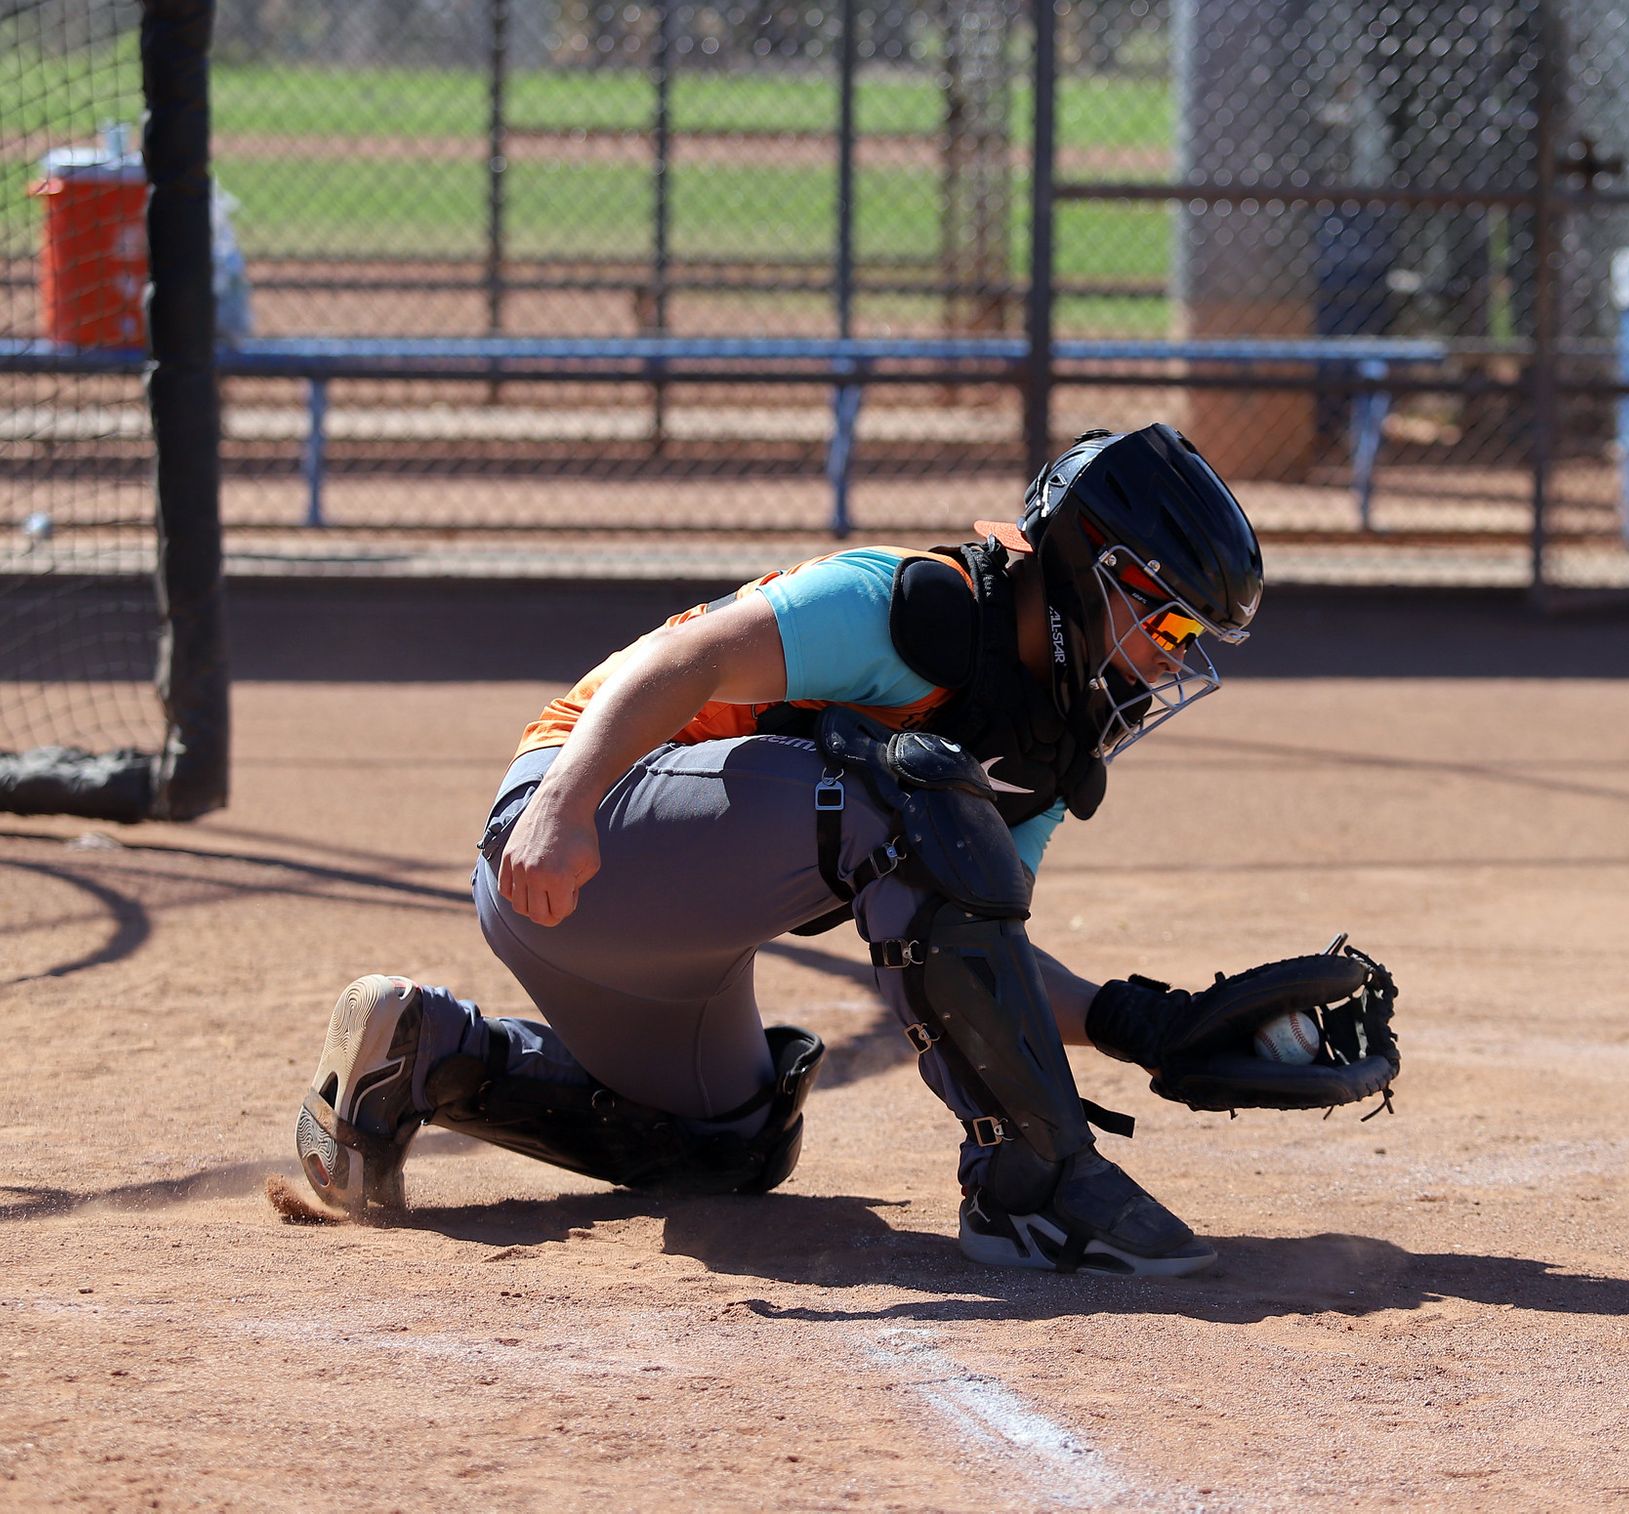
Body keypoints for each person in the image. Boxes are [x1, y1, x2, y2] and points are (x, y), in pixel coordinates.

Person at [294, 424, 1392, 1277]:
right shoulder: (914, 604)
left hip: (661, 929)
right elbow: (678, 660)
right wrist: (561, 808)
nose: (1168, 663)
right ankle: (1032, 1184)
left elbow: (973, 940)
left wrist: (1134, 1017)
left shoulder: (1045, 739)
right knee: (897, 784)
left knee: (728, 1144)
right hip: (573, 830)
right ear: (1085, 566)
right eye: (1170, 625)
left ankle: (425, 1049)